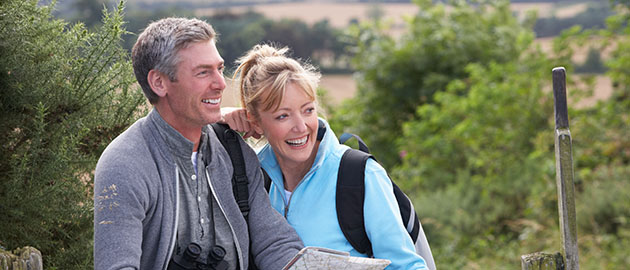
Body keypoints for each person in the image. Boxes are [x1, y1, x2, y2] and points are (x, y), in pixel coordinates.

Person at [93, 18, 304, 270]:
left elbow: (274, 243)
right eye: (203, 72)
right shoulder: (124, 164)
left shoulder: (234, 150)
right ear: (159, 83)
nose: (220, 84)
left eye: (219, 68)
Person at [222, 44, 429, 270]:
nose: (301, 127)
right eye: (283, 116)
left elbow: (408, 266)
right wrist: (218, 119)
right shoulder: (252, 178)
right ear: (255, 122)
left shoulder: (361, 176)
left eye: (308, 110)